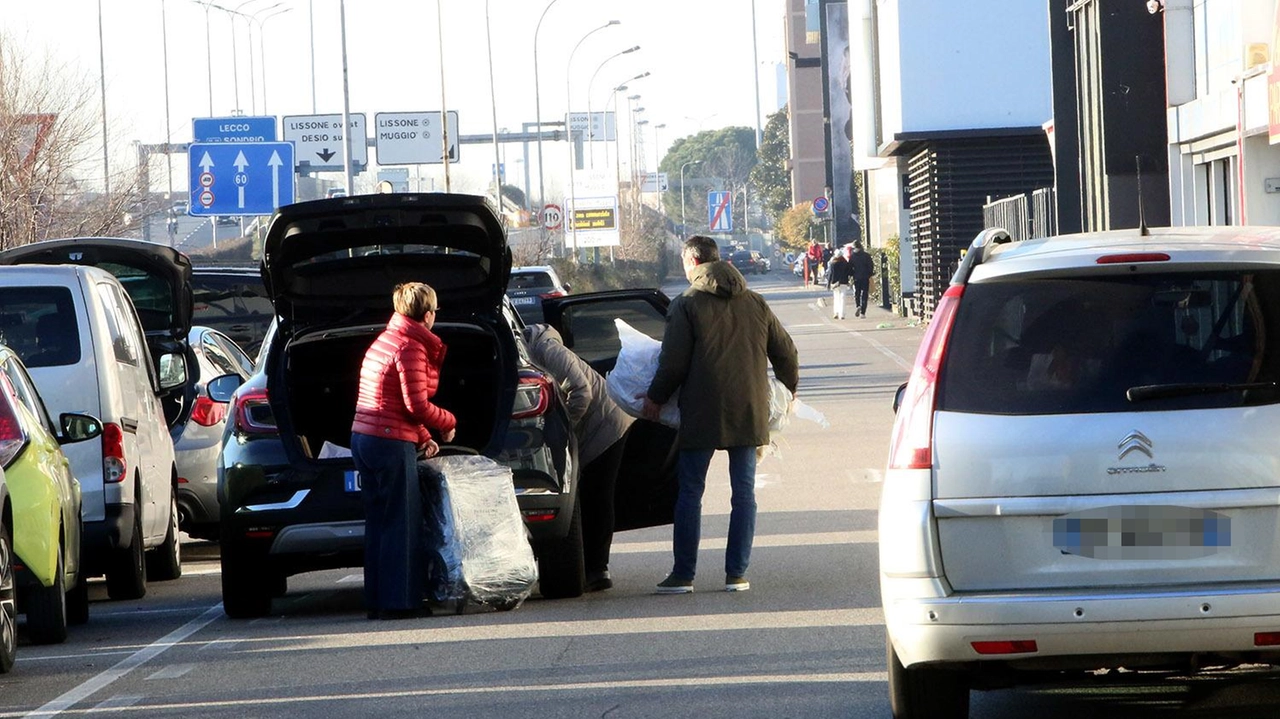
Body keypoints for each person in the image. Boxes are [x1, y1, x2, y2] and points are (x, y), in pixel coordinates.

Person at [641, 235, 800, 594]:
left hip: (702, 410)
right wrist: (788, 392)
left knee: (690, 491)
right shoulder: (755, 302)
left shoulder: (688, 304)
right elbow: (786, 353)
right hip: (749, 408)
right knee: (743, 493)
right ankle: (736, 574)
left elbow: (673, 362)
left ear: (694, 262)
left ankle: (684, 575)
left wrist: (655, 397)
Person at [350, 282, 458, 620]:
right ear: (427, 315)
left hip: (365, 437)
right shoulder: (411, 347)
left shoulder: (386, 340)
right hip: (388, 442)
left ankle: (378, 600)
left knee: (379, 523)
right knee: (402, 523)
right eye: (435, 312)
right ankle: (401, 603)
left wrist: (423, 435)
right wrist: (447, 421)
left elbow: (395, 401)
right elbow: (416, 404)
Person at [522, 324, 633, 592]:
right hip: (594, 424)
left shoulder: (545, 349)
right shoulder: (535, 352)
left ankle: (598, 569)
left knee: (597, 496)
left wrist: (560, 432)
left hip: (607, 424)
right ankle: (591, 566)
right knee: (589, 495)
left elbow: (581, 391)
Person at [849, 241, 876, 318]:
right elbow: (871, 266)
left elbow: (850, 268)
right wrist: (869, 274)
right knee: (864, 294)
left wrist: (852, 274)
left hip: (856, 277)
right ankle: (863, 313)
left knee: (857, 293)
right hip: (865, 277)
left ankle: (858, 305)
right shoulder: (866, 256)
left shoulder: (852, 256)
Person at [826, 248, 852, 320]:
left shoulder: (833, 263)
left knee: (836, 298)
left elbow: (830, 274)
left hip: (835, 283)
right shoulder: (845, 263)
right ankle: (842, 314)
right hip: (843, 282)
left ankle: (836, 312)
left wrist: (828, 284)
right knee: (843, 298)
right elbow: (849, 272)